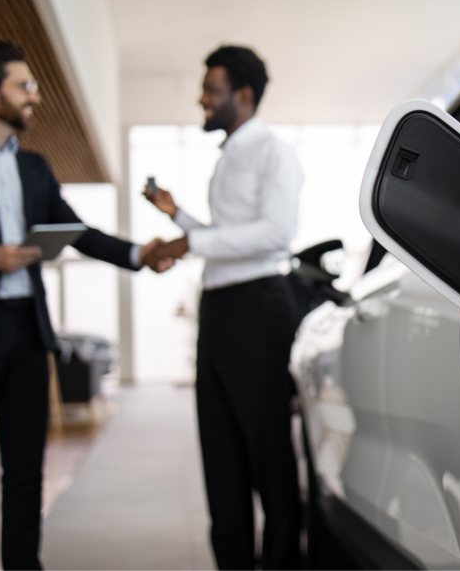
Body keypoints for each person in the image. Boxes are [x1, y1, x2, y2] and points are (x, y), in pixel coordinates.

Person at [0, 42, 167, 570]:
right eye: (24, 86)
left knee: (26, 472)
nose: (36, 95)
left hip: (26, 334)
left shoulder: (34, 167)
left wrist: (136, 254)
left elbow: (72, 230)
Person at [143, 45, 303, 569]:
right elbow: (224, 237)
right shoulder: (231, 155)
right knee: (221, 456)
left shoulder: (272, 152)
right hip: (221, 310)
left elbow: (276, 234)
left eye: (211, 91)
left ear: (244, 95)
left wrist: (191, 243)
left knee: (267, 454)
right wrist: (179, 217)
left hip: (258, 309)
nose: (202, 99)